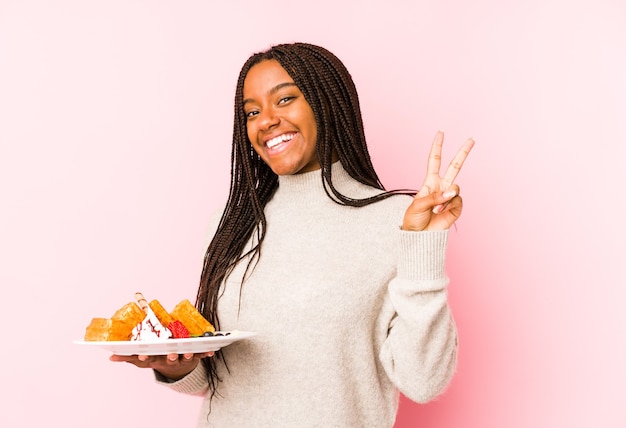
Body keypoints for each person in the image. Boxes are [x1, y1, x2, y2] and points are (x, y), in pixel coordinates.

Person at [111, 42, 474, 427]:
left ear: (327, 103)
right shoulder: (231, 223)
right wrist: (171, 365)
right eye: (252, 111)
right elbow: (219, 381)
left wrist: (424, 249)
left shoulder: (396, 222)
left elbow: (424, 382)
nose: (265, 120)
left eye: (284, 100)